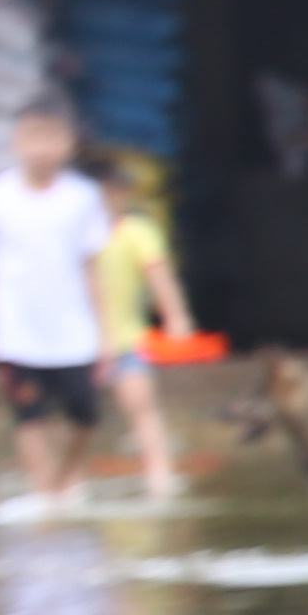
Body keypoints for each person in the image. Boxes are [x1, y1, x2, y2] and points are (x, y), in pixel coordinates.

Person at [0, 96, 119, 507]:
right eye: (32, 136)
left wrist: (106, 333)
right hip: (16, 330)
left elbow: (92, 269)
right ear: (15, 141)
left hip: (72, 329)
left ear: (69, 143)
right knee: (29, 417)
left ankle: (64, 479)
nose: (41, 147)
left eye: (51, 136)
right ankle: (43, 493)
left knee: (86, 416)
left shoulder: (83, 198)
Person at [89, 144, 204, 497]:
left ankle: (160, 476)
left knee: (142, 407)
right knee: (73, 418)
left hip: (127, 339)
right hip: (78, 344)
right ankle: (68, 483)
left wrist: (177, 316)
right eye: (108, 190)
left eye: (120, 190)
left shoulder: (137, 232)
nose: (115, 197)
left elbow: (160, 276)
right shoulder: (74, 235)